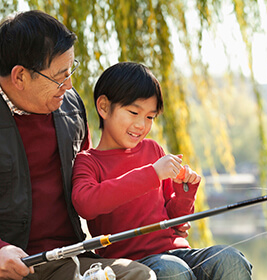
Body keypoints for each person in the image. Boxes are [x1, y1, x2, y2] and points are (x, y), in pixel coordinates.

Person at [0, 11, 156, 280]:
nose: (70, 85)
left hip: (71, 255)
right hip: (13, 267)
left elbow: (91, 189)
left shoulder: (71, 107)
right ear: (20, 77)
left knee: (142, 275)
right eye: (60, 76)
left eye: (71, 70)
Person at [72, 62, 253, 279]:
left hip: (177, 253)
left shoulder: (153, 149)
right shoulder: (89, 162)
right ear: (103, 107)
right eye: (133, 112)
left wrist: (185, 193)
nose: (142, 125)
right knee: (173, 270)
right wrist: (153, 174)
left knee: (230, 259)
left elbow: (175, 220)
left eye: (150, 117)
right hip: (134, 263)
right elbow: (86, 204)